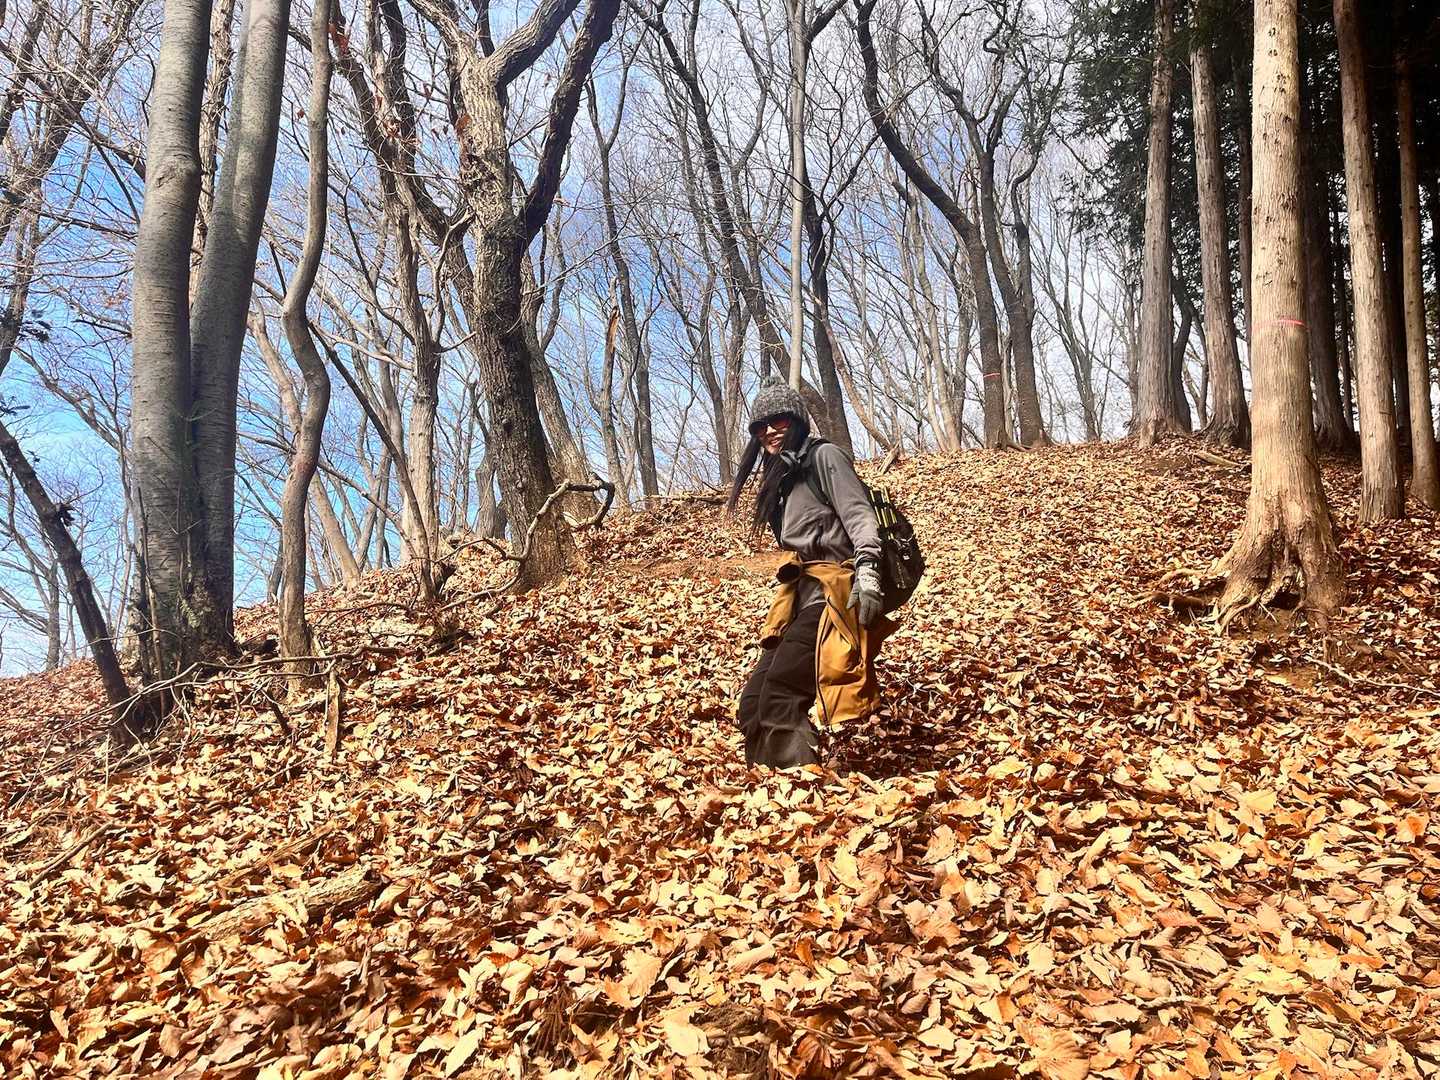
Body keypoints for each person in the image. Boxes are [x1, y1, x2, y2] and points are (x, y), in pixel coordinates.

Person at [727, 377, 894, 769]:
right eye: (760, 426)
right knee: (752, 703)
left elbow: (859, 515)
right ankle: (765, 784)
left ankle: (799, 785)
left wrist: (869, 571)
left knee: (780, 694)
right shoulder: (782, 476)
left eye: (779, 420)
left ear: (798, 420)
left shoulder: (825, 457)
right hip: (800, 598)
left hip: (835, 593)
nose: (769, 431)